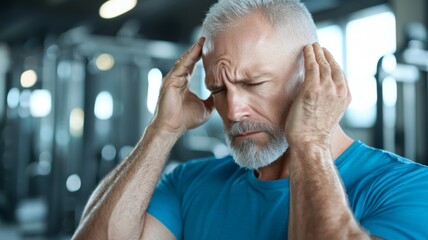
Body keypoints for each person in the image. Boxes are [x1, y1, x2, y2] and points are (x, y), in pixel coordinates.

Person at [72, 0, 428, 239]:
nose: (234, 110)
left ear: (312, 76)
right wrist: (161, 131)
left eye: (253, 83)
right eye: (218, 89)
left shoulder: (409, 189)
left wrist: (310, 143)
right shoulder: (187, 184)